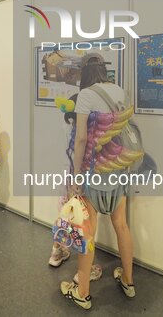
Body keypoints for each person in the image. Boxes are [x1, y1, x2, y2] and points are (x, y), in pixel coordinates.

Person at [60, 53, 136, 310]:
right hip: (119, 172)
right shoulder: (121, 92)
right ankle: (128, 280)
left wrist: (76, 175)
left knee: (87, 234)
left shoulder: (86, 95)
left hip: (94, 174)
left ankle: (82, 293)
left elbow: (81, 138)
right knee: (122, 226)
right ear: (104, 70)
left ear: (84, 73)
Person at [49, 94, 102, 283]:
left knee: (63, 217)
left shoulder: (64, 126)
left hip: (64, 179)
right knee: (85, 225)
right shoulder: (83, 132)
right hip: (79, 181)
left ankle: (57, 252)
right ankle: (85, 271)